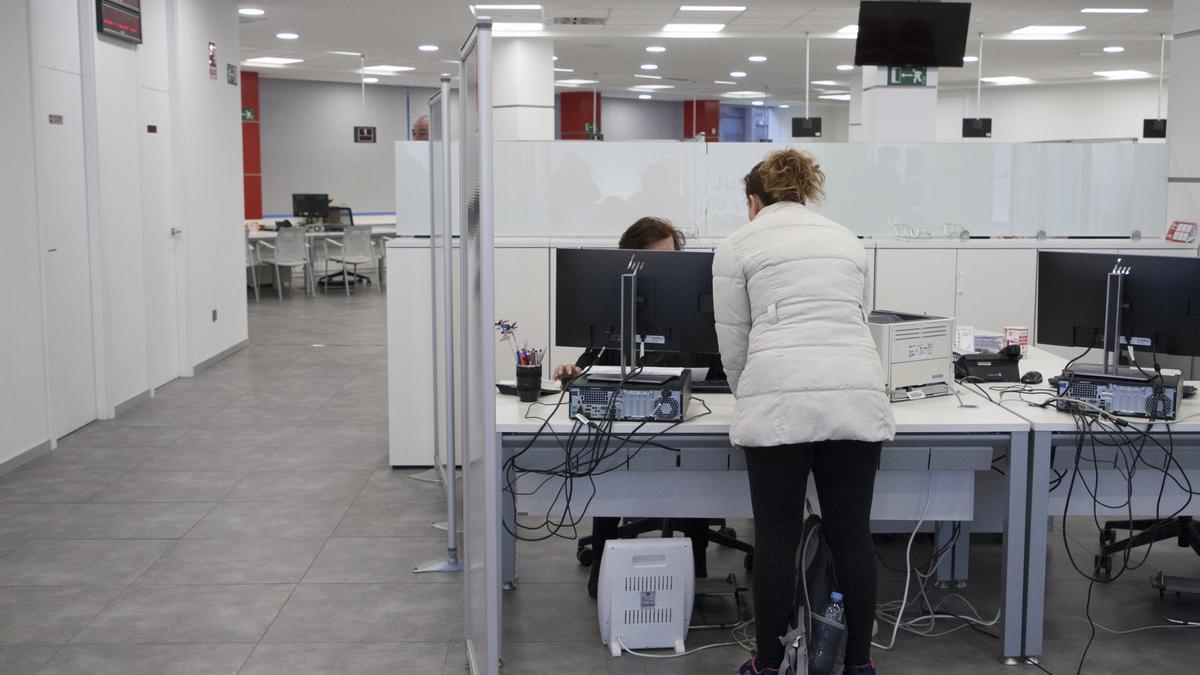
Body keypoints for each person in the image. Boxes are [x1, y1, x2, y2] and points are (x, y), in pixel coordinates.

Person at [713, 149, 894, 675]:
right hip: (856, 394)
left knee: (775, 540)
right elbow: (856, 318)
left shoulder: (736, 245)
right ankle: (859, 663)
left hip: (779, 397)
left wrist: (750, 392)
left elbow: (735, 344)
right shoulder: (846, 240)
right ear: (804, 193)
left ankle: (768, 666)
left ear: (754, 200)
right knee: (852, 535)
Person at [552, 216, 725, 599]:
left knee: (693, 463)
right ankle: (602, 563)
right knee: (608, 459)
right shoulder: (621, 303)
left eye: (675, 261)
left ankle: (693, 569)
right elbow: (592, 359)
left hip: (690, 426)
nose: (671, 272)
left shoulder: (693, 306)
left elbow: (718, 372)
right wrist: (574, 371)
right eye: (659, 262)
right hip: (624, 437)